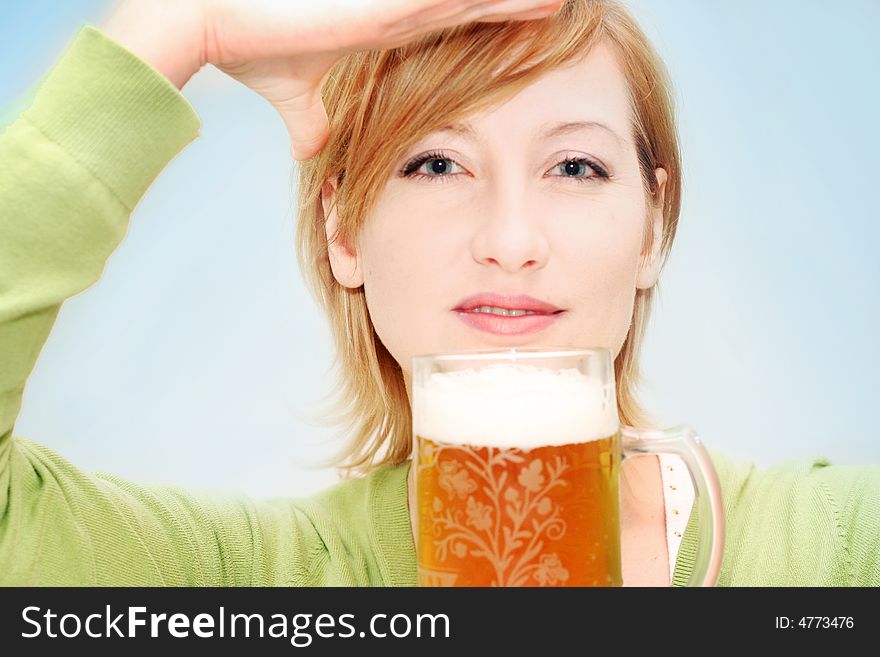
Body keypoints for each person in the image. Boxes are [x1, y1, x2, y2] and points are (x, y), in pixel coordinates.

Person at [0, 0, 877, 587]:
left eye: (575, 166)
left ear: (652, 227)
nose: (508, 241)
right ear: (344, 231)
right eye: (437, 163)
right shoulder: (267, 577)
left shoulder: (834, 549)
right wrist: (177, 26)